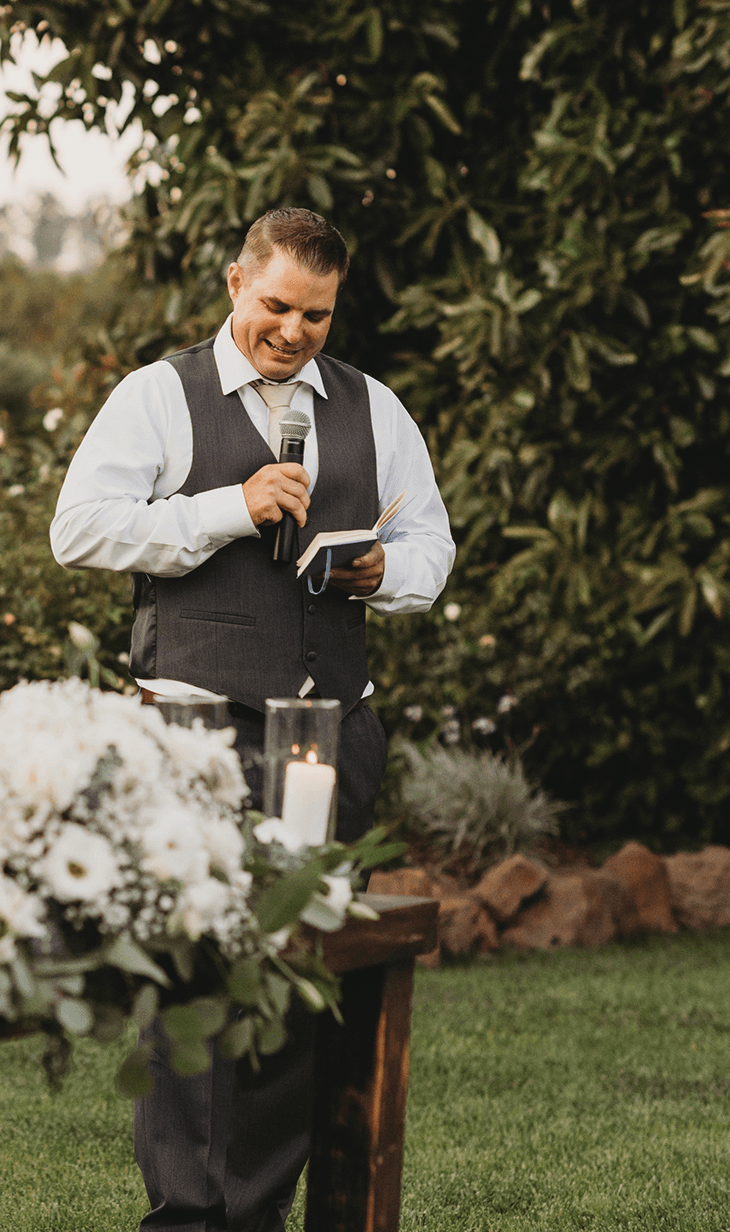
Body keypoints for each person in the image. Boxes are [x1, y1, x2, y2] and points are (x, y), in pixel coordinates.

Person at [50, 207, 455, 1232]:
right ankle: (186, 1216)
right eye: (276, 305)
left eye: (316, 315)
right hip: (192, 736)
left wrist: (382, 569)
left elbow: (431, 547)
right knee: (192, 985)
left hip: (329, 737)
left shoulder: (373, 407)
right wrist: (228, 507)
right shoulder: (158, 395)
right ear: (236, 282)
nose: (293, 330)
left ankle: (257, 1213)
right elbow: (80, 529)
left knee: (296, 982)